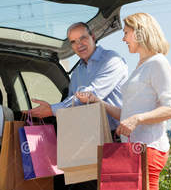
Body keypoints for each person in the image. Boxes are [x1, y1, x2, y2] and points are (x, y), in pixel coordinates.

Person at [76, 13, 171, 190]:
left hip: (149, 149)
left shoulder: (158, 63)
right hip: (132, 149)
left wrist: (136, 119)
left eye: (126, 33)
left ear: (139, 33)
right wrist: (99, 102)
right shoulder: (141, 65)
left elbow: (170, 109)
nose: (123, 39)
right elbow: (127, 114)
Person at [29, 22, 128, 190]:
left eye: (83, 38)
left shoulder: (112, 60)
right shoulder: (78, 72)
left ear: (93, 37)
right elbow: (72, 105)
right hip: (86, 142)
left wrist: (52, 110)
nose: (79, 44)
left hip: (114, 141)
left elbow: (91, 95)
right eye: (73, 41)